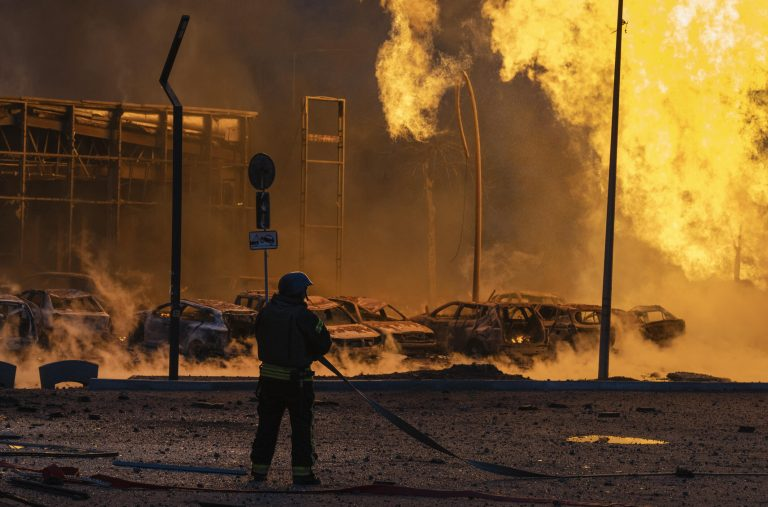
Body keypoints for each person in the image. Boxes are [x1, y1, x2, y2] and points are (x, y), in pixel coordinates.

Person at [250, 271, 332, 486]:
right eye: (305, 290)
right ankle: (302, 474)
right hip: (297, 382)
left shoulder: (265, 312)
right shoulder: (304, 316)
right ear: (299, 292)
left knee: (267, 426)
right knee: (302, 428)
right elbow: (324, 343)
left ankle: (259, 471)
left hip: (268, 381)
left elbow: (259, 336)